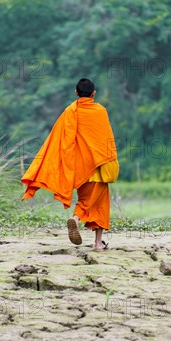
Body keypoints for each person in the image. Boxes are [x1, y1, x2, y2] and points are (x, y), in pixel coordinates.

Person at [21, 78, 119, 251]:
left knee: (91, 201)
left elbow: (60, 141)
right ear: (94, 94)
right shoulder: (100, 111)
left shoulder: (70, 112)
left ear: (76, 93)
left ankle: (97, 242)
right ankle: (77, 220)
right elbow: (106, 139)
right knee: (96, 204)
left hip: (81, 169)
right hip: (99, 166)